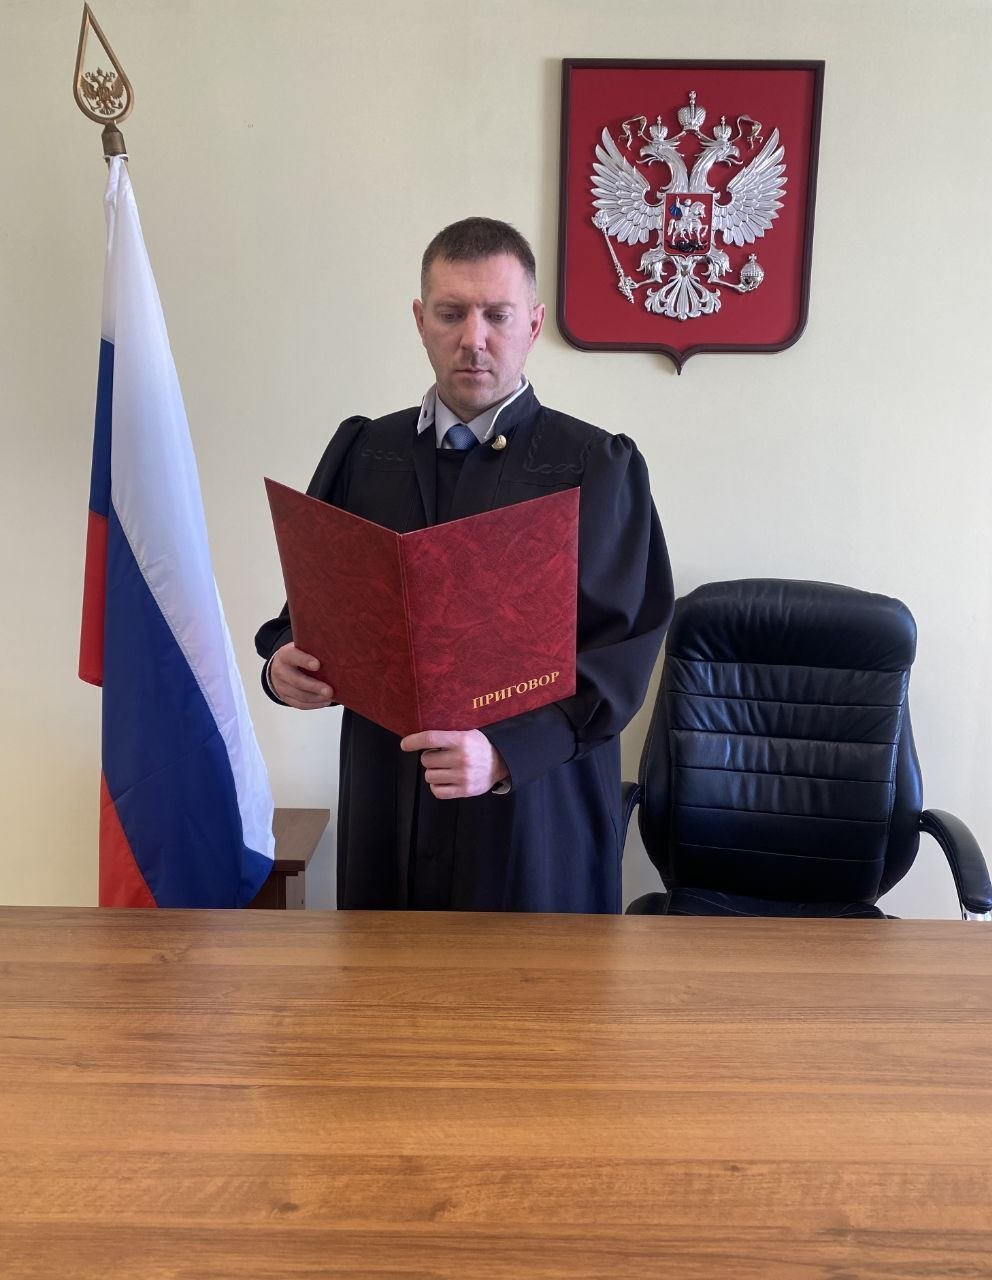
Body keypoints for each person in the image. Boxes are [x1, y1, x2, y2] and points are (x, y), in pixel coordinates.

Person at [256, 217, 673, 912]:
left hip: (535, 808)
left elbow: (621, 653)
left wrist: (508, 752)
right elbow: (308, 610)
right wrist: (283, 665)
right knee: (383, 976)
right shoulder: (366, 451)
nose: (473, 338)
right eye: (451, 314)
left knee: (528, 981)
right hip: (388, 794)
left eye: (497, 315)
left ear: (533, 324)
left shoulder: (594, 465)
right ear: (421, 321)